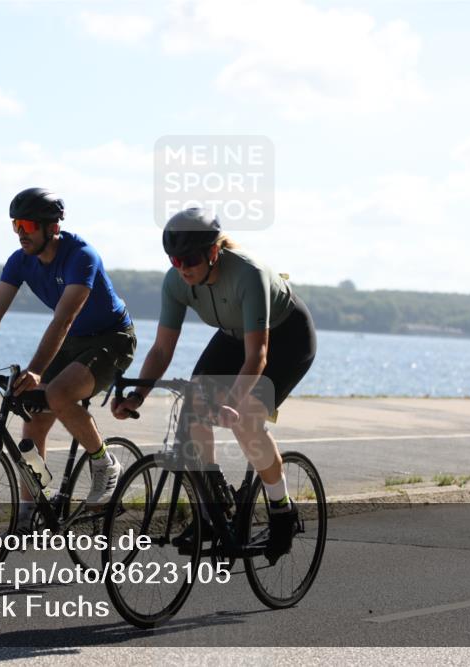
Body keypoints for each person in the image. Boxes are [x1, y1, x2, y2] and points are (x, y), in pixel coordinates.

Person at [111, 207, 317, 562]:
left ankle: (282, 509)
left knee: (248, 420)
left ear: (213, 252)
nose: (183, 267)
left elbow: (257, 357)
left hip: (287, 338)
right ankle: (215, 507)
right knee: (193, 408)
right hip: (233, 335)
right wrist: (137, 395)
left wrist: (234, 403)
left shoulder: (247, 274)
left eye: (189, 258)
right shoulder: (175, 282)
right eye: (175, 259)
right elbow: (162, 349)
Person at [0, 187, 136, 525]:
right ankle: (33, 508)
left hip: (112, 339)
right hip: (73, 340)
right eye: (15, 225)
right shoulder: (20, 261)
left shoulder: (81, 256)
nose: (20, 234)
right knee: (32, 413)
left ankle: (104, 463)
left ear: (52, 228)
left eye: (27, 225)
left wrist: (36, 370)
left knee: (57, 393)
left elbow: (64, 318)